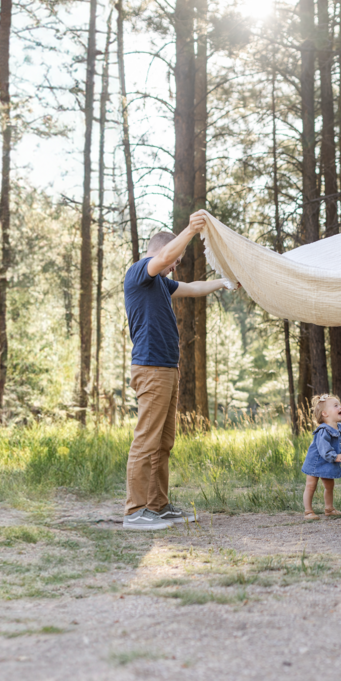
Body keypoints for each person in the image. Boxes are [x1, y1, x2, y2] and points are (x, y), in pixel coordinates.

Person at [122, 211, 235, 531]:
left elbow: (194, 287)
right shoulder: (140, 272)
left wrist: (225, 282)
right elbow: (166, 256)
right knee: (146, 440)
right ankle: (135, 511)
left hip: (167, 369)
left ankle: (157, 505)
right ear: (161, 252)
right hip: (151, 368)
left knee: (163, 442)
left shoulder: (159, 282)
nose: (175, 266)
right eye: (175, 260)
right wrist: (190, 230)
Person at [301, 394, 341, 520]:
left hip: (328, 462)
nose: (340, 407)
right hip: (316, 462)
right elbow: (323, 448)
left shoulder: (340, 428)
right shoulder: (323, 430)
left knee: (329, 486)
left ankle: (329, 508)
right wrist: (334, 456)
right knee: (310, 485)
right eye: (336, 405)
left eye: (340, 405)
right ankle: (308, 511)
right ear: (325, 413)